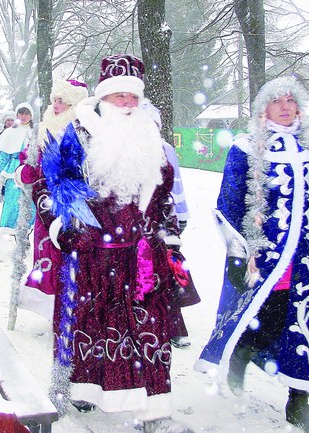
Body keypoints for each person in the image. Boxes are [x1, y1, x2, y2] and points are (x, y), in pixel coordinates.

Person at [34, 54, 194, 433]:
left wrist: (168, 237)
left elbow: (164, 193)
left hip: (141, 258)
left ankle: (154, 412)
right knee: (89, 328)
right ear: (103, 97)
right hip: (91, 256)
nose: (126, 104)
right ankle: (82, 392)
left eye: (132, 97)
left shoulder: (149, 135)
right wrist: (60, 226)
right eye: (118, 96)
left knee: (149, 333)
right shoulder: (78, 133)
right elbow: (47, 184)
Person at [193, 76, 309, 433]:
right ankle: (242, 354)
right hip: (267, 258)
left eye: (291, 101)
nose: (286, 107)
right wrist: (239, 253)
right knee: (266, 318)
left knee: (308, 327)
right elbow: (230, 204)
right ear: (263, 108)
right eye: (278, 101)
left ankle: (299, 403)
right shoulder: (245, 147)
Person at [14, 78, 89, 318]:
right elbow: (30, 160)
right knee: (45, 250)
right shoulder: (44, 128)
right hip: (43, 199)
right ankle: (49, 304)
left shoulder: (82, 130)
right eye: (54, 100)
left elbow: (83, 168)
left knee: (68, 253)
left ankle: (71, 306)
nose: (56, 105)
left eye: (62, 101)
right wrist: (26, 169)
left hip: (71, 202)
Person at [141, 100, 196, 348]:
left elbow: (176, 186)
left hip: (164, 222)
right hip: (134, 227)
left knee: (169, 273)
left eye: (152, 125)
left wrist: (180, 217)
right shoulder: (125, 151)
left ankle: (174, 326)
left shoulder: (165, 150)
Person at [0, 103, 34, 230]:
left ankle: (29, 225)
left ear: (31, 116)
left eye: (26, 113)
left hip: (31, 168)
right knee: (13, 197)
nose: (23, 116)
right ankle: (10, 225)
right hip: (13, 169)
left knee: (30, 198)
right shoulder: (9, 133)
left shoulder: (35, 132)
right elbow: (4, 157)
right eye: (21, 113)